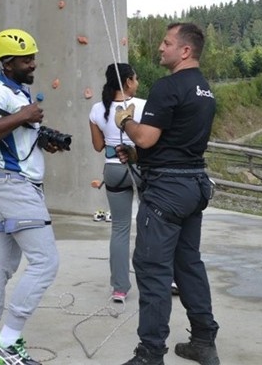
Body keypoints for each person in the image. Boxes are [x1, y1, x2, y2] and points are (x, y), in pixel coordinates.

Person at [113, 22, 220, 365]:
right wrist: (139, 157)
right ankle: (204, 341)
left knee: (152, 268)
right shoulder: (204, 88)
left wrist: (125, 121)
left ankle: (150, 354)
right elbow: (175, 143)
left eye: (166, 42)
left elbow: (145, 137)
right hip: (193, 184)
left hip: (167, 191)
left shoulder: (168, 86)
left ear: (185, 50)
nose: (160, 48)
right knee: (188, 263)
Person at [0, 29, 65, 365]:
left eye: (33, 57)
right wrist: (25, 116)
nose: (33, 64)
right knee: (46, 262)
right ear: (7, 64)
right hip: (14, 187)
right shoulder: (0, 91)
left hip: (3, 185)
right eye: (26, 59)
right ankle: (6, 343)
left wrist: (41, 141)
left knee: (0, 267)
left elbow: (12, 141)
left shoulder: (17, 92)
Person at [88, 63, 145, 303]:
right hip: (141, 166)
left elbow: (98, 146)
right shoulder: (144, 105)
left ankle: (119, 288)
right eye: (136, 78)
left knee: (120, 229)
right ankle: (163, 278)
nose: (138, 83)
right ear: (129, 81)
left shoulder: (97, 109)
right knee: (151, 225)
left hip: (112, 168)